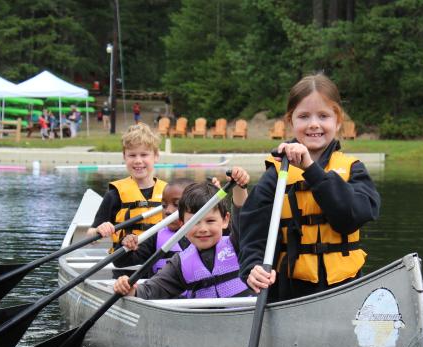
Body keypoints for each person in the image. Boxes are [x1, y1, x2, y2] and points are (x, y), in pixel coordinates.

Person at [239, 73, 381, 302]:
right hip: (289, 292)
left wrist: (311, 169)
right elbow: (252, 234)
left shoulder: (353, 170)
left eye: (323, 116)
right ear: (290, 121)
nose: (314, 124)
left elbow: (350, 217)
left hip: (345, 288)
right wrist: (252, 267)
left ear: (337, 121)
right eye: (304, 116)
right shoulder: (275, 176)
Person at [113, 174, 252, 300]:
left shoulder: (237, 243)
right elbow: (152, 290)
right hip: (203, 324)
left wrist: (239, 186)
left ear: (225, 220)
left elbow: (244, 216)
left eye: (210, 221)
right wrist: (130, 290)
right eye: (194, 222)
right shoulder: (179, 264)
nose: (203, 229)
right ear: (182, 225)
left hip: (244, 317)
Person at [87, 123, 168, 252]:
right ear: (124, 157)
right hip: (125, 262)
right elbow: (91, 234)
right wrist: (99, 230)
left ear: (156, 156)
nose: (138, 160)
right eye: (132, 155)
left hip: (160, 264)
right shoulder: (114, 195)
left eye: (144, 155)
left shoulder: (168, 193)